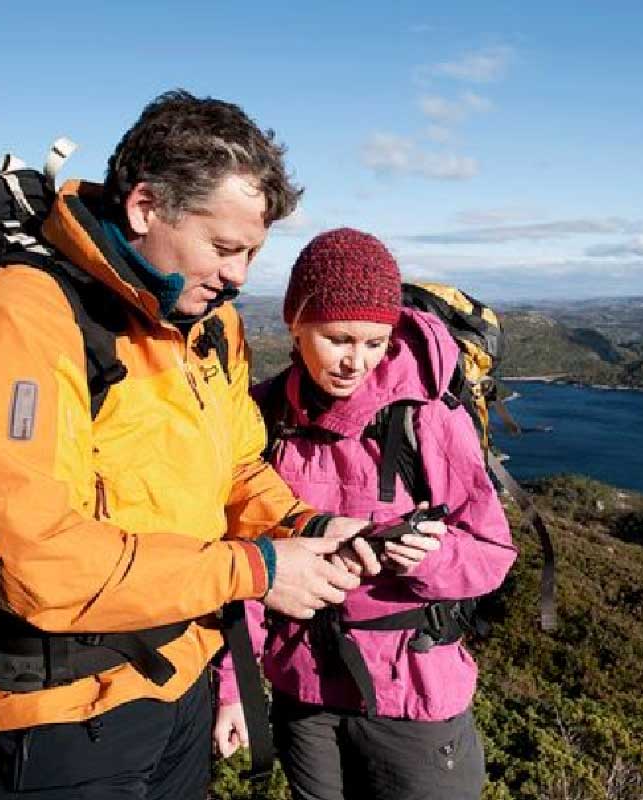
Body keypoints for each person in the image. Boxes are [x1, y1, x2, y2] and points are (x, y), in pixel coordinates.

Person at [0, 91, 376, 799]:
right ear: (143, 208)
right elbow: (37, 561)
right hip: (67, 710)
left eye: (253, 253)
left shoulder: (206, 326)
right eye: (224, 248)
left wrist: (305, 527)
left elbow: (236, 469)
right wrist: (256, 571)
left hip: (184, 674)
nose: (238, 277)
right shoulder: (20, 319)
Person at [213, 228, 518, 800]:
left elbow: (493, 555)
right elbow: (249, 559)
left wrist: (433, 556)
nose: (357, 361)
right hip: (303, 693)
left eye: (375, 343)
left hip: (413, 698)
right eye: (338, 339)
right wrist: (234, 687)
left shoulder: (426, 418)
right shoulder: (264, 414)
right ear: (295, 323)